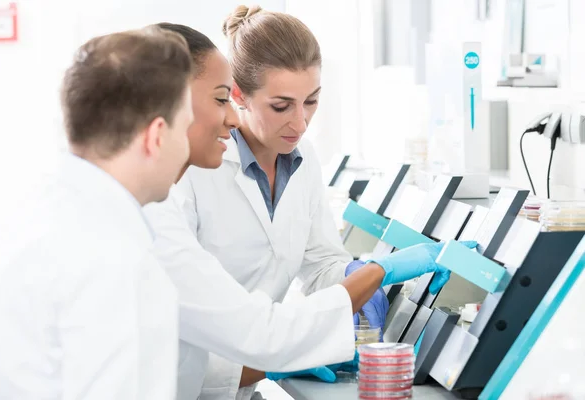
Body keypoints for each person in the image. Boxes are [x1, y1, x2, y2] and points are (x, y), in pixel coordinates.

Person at [146, 18, 475, 400]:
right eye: (281, 105)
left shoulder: (302, 159)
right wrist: (374, 273)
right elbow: (199, 342)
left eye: (312, 101)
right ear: (239, 94)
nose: (300, 123)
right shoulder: (183, 179)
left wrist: (351, 274)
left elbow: (318, 265)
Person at [0, 27, 194, 399]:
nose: (186, 148)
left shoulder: (29, 216)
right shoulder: (112, 261)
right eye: (186, 128)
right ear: (157, 136)